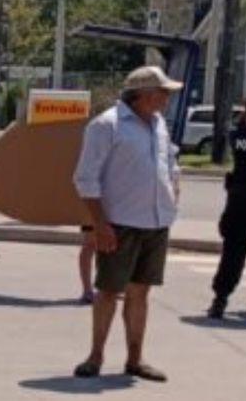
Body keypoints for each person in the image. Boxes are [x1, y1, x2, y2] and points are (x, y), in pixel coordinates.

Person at [71, 66, 183, 381]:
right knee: (108, 291)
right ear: (144, 95)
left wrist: (175, 186)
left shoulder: (159, 124)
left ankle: (135, 359)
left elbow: (170, 161)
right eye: (163, 93)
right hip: (119, 223)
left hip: (156, 222)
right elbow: (85, 178)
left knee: (140, 292)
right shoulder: (107, 125)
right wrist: (99, 225)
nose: (167, 98)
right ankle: (95, 356)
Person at [209, 92, 246, 318]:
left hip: (241, 196)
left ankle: (221, 298)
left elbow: (236, 137)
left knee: (233, 250)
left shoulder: (238, 133)